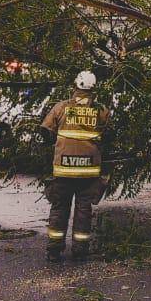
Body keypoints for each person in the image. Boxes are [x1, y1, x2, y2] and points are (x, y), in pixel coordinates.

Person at [41, 70, 110, 263]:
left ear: (75, 85)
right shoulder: (101, 111)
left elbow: (45, 133)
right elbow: (108, 135)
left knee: (59, 208)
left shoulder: (61, 108)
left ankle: (54, 250)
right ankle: (80, 250)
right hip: (89, 172)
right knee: (83, 211)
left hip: (63, 170)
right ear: (94, 89)